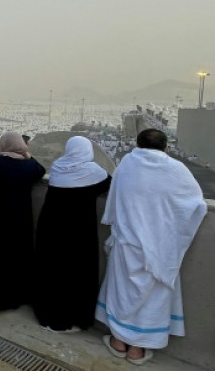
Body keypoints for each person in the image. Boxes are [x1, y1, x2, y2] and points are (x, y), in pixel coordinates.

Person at [97, 129, 206, 365]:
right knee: (151, 298)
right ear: (166, 147)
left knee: (122, 292)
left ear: (137, 144)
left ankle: (118, 342)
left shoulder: (127, 163)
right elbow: (196, 204)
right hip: (159, 248)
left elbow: (116, 195)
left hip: (126, 243)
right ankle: (136, 350)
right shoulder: (176, 169)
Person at [32, 136, 111, 332]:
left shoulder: (58, 167)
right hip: (78, 232)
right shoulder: (94, 172)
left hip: (51, 227)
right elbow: (110, 183)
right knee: (77, 274)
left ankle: (49, 316)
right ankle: (71, 319)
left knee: (53, 272)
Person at [0, 131, 45, 311]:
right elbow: (41, 170)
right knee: (19, 259)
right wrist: (27, 154)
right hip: (21, 220)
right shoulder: (29, 167)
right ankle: (17, 298)